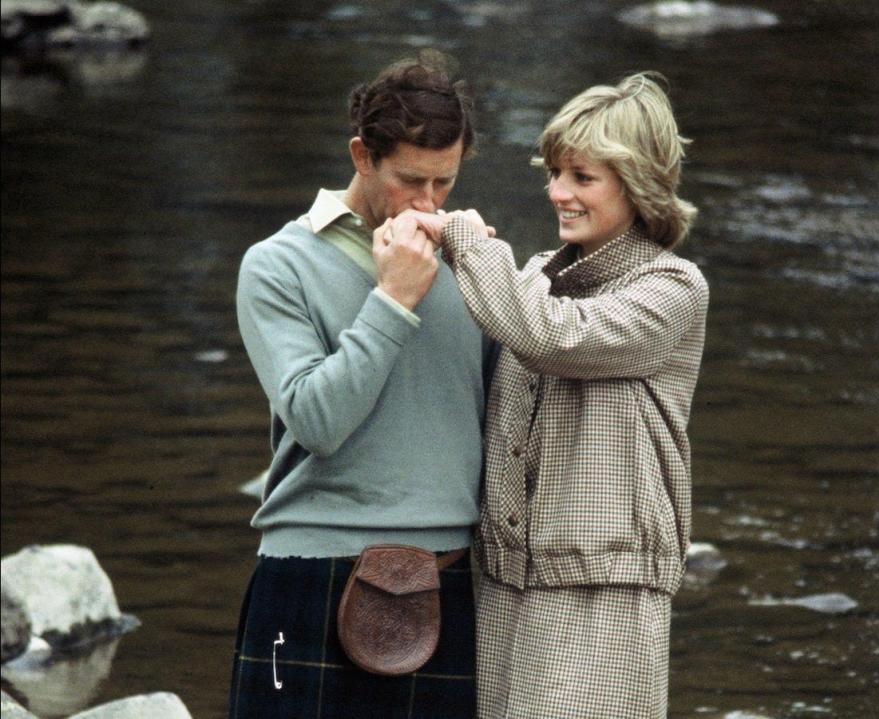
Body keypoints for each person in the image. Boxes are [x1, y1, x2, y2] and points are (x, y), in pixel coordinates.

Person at [390, 71, 709, 718]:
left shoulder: (672, 289)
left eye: (582, 178)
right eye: (555, 172)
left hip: (604, 587)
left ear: (640, 184)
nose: (556, 192)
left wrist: (469, 245)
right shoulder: (534, 275)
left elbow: (551, 338)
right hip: (508, 578)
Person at [229, 52, 493, 718]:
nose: (429, 204)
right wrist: (395, 298)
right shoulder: (276, 265)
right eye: (411, 180)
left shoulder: (471, 261)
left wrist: (499, 282)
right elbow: (317, 421)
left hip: (450, 569)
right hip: (312, 566)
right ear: (361, 155)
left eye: (445, 181)